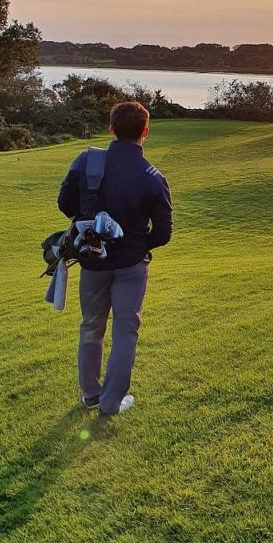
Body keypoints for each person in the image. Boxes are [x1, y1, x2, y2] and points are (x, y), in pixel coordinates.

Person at [57, 100, 172, 416]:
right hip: (131, 267)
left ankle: (91, 394)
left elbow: (65, 205)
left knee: (91, 326)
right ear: (145, 131)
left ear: (110, 129)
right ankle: (110, 403)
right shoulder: (153, 177)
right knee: (125, 331)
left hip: (92, 263)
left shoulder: (87, 161)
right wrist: (136, 243)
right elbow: (163, 233)